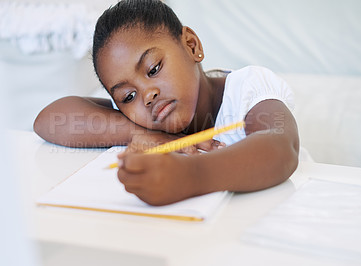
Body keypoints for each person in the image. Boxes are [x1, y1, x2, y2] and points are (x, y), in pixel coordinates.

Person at [34, 0, 299, 206]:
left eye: (153, 68)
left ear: (191, 45)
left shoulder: (248, 88)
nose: (146, 95)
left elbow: (281, 148)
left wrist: (190, 176)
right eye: (127, 96)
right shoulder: (137, 117)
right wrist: (145, 135)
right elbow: (49, 119)